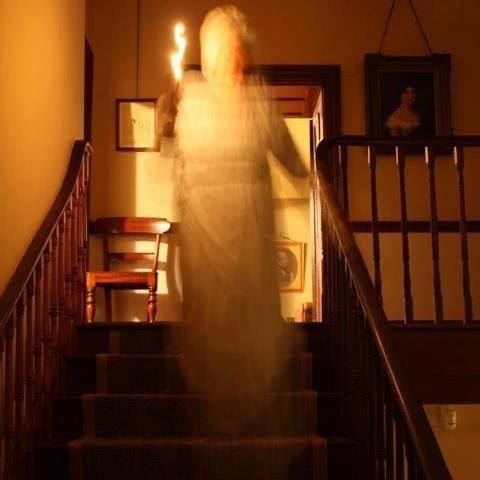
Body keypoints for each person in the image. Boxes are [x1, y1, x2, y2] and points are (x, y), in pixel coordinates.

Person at [173, 5, 308, 407]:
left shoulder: (257, 100)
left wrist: (313, 174)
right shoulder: (194, 101)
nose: (233, 64)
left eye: (238, 54)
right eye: (225, 55)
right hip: (207, 240)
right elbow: (184, 174)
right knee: (214, 327)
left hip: (249, 238)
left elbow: (291, 159)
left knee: (250, 328)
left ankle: (250, 399)